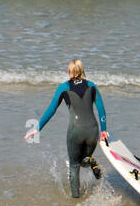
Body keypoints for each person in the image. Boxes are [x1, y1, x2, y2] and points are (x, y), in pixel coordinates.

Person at [25, 59, 109, 198]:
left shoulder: (63, 88)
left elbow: (51, 110)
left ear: (69, 71)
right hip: (93, 131)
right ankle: (90, 161)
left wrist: (37, 128)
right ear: (82, 70)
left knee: (74, 165)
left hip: (75, 131)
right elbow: (101, 109)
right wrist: (104, 130)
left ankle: (76, 198)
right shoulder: (92, 86)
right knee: (85, 159)